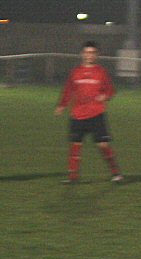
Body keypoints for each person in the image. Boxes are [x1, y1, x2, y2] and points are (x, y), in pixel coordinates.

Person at [55, 41, 123, 184]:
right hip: (77, 115)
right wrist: (62, 105)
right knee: (75, 145)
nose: (89, 55)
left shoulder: (101, 72)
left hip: (96, 114)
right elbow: (68, 90)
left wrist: (105, 96)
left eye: (92, 53)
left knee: (103, 145)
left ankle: (116, 173)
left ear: (96, 55)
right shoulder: (75, 72)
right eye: (87, 52)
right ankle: (73, 177)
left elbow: (111, 90)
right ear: (82, 54)